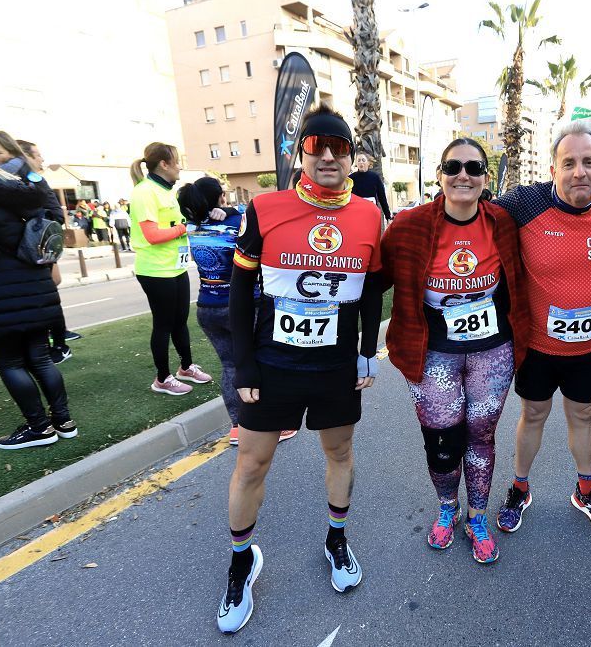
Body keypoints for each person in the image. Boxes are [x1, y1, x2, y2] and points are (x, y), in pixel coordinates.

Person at [218, 104, 383, 634]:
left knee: (339, 451)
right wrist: (243, 362)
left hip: (336, 364)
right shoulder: (265, 208)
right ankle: (242, 561)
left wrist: (365, 350)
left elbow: (372, 289)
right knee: (251, 465)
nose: (329, 156)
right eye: (317, 147)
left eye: (339, 147)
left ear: (351, 156)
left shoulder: (367, 214)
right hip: (274, 363)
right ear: (300, 154)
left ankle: (337, 539)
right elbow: (240, 290)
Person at [492, 121, 591, 537]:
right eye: (570, 162)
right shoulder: (525, 203)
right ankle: (519, 488)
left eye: (589, 162)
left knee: (583, 415)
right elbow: (470, 214)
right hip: (538, 345)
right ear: (554, 167)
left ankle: (586, 488)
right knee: (534, 414)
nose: (580, 171)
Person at [380, 137, 528, 563]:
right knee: (442, 442)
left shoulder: (503, 221)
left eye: (474, 168)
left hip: (492, 352)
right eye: (453, 166)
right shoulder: (408, 226)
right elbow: (372, 277)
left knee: (481, 435)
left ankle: (477, 515)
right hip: (432, 355)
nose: (463, 174)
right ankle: (448, 507)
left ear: (486, 177)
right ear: (440, 175)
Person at [0, 149, 78, 449]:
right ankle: (63, 422)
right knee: (39, 358)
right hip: (34, 286)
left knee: (9, 363)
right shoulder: (17, 190)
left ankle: (39, 428)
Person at [178, 177, 296, 447]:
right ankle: (273, 423)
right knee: (262, 362)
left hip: (207, 307)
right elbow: (256, 214)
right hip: (244, 306)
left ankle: (237, 427)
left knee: (230, 365)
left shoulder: (192, 226)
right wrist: (232, 211)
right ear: (220, 197)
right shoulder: (235, 222)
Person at [0, 133, 80, 357]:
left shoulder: (30, 178)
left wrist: (28, 223)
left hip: (30, 253)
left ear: (11, 151)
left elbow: (53, 214)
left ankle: (59, 344)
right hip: (2, 258)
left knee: (41, 302)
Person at [129, 142, 212, 395]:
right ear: (163, 164)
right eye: (176, 161)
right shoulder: (145, 192)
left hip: (175, 267)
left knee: (180, 322)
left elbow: (181, 219)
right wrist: (181, 229)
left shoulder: (166, 191)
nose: (179, 167)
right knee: (164, 324)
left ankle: (186, 367)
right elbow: (152, 235)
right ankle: (162, 378)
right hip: (154, 270)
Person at [349, 152, 391, 231]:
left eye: (363, 160)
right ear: (356, 163)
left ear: (368, 163)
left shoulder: (375, 177)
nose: (361, 162)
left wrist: (388, 216)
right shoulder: (351, 178)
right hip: (356, 213)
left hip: (371, 213)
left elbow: (382, 197)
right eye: (359, 160)